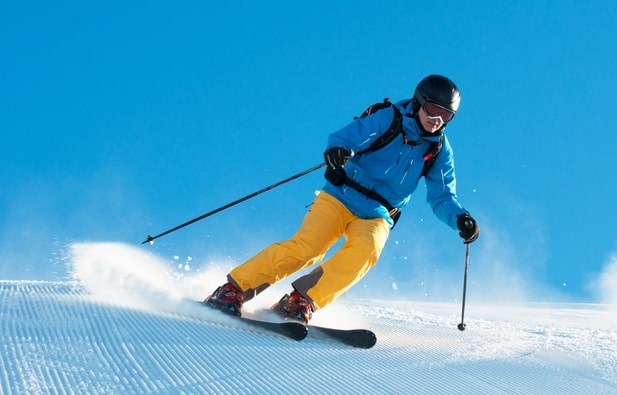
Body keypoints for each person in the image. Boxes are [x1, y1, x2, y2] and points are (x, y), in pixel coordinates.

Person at [205, 74, 480, 323]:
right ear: (420, 102)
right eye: (433, 110)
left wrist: (460, 218)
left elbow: (442, 195)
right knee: (308, 248)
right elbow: (347, 137)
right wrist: (337, 153)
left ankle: (300, 300)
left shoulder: (440, 151)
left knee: (366, 251)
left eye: (447, 116)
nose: (438, 121)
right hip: (340, 196)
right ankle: (233, 289)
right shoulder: (389, 119)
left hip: (378, 213)